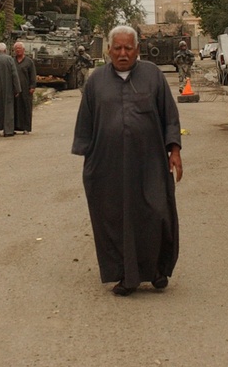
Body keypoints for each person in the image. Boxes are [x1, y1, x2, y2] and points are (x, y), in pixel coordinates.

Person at [72, 25, 183, 296]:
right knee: (114, 217)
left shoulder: (153, 76)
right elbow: (85, 123)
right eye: (118, 48)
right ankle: (125, 275)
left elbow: (169, 115)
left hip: (150, 160)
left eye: (128, 48)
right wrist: (89, 165)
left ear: (137, 50)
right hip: (107, 163)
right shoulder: (96, 81)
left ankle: (157, 270)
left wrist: (175, 150)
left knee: (157, 212)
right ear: (109, 50)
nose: (123, 53)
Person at [0, 42, 21, 137]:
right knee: (8, 108)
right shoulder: (9, 59)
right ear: (5, 50)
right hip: (7, 87)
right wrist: (17, 89)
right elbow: (14, 74)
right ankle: (8, 130)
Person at [13, 41, 37, 134]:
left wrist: (32, 86)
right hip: (14, 89)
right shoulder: (12, 61)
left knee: (26, 108)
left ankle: (26, 128)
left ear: (23, 50)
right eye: (16, 49)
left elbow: (33, 75)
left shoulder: (29, 62)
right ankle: (14, 127)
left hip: (26, 89)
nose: (18, 50)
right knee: (15, 108)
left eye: (20, 48)